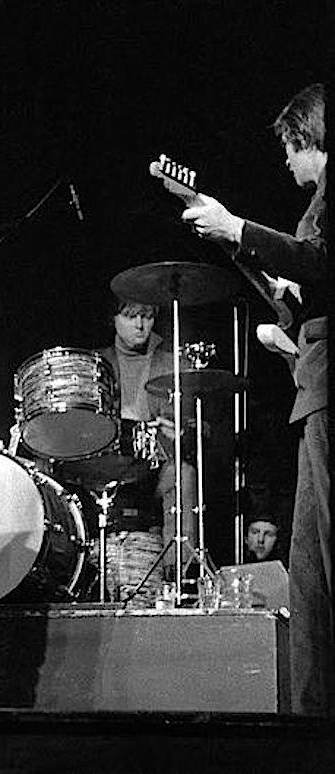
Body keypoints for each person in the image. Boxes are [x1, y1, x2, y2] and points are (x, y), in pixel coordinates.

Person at [182, 83, 329, 716]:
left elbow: (323, 262)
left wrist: (236, 225)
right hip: (314, 386)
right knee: (310, 571)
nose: (286, 163)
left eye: (289, 150)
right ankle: (310, 715)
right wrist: (284, 312)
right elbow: (310, 283)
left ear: (308, 139)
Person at [91, 298, 198, 606]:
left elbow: (199, 425)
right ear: (113, 319)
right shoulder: (98, 363)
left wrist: (181, 432)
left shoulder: (173, 364)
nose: (140, 325)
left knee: (184, 473)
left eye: (147, 317)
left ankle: (179, 575)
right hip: (110, 462)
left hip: (158, 461)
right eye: (130, 316)